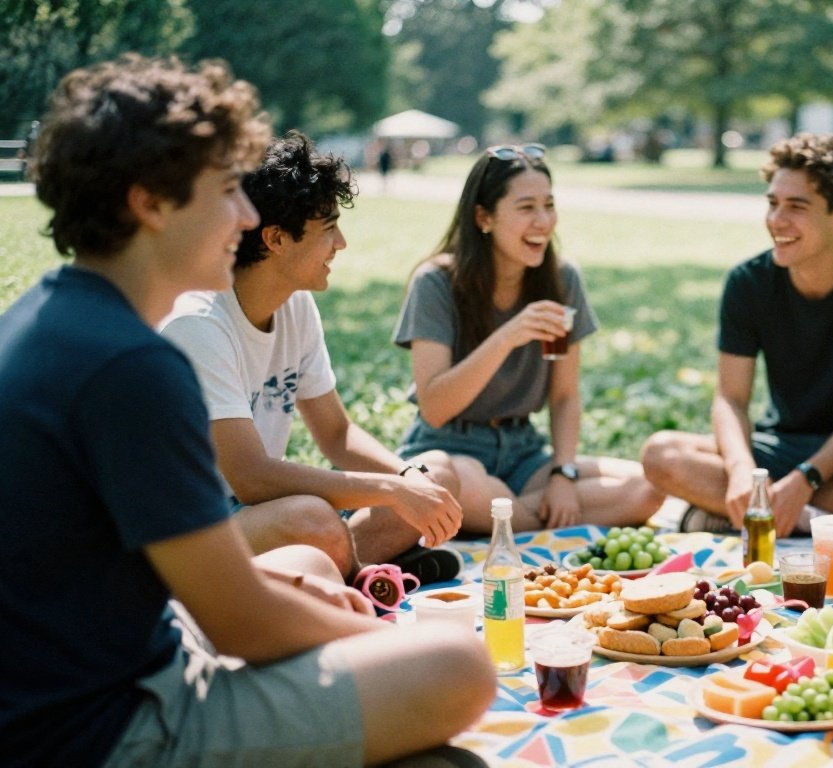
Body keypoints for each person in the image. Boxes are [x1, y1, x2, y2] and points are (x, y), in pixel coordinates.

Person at [0, 55, 494, 767]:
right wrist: (392, 643)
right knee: (456, 666)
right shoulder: (134, 365)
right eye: (228, 189)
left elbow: (143, 571)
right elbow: (242, 626)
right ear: (150, 202)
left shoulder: (53, 317)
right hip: (113, 727)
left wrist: (301, 594)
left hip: (111, 658)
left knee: (308, 564)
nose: (245, 214)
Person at [161, 131, 466, 584]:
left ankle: (351, 570)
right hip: (195, 533)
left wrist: (407, 478)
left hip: (265, 515)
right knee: (313, 520)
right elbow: (251, 477)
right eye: (328, 228)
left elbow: (337, 434)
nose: (340, 242)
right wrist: (390, 491)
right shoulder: (198, 324)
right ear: (276, 239)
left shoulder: (295, 304)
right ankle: (362, 574)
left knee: (437, 475)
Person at [641, 132, 833, 539]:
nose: (777, 220)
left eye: (796, 207)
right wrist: (743, 470)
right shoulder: (748, 282)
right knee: (661, 454)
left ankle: (743, 516)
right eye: (773, 203)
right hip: (779, 448)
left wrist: (805, 480)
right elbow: (731, 398)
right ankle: (830, 523)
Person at [393, 142, 663, 533]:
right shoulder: (436, 283)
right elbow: (435, 407)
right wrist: (507, 337)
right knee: (458, 483)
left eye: (549, 205)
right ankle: (520, 516)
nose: (544, 221)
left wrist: (563, 475)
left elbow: (565, 396)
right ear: (483, 217)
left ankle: (504, 519)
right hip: (452, 450)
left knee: (645, 488)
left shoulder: (561, 279)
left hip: (523, 453)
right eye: (526, 208)